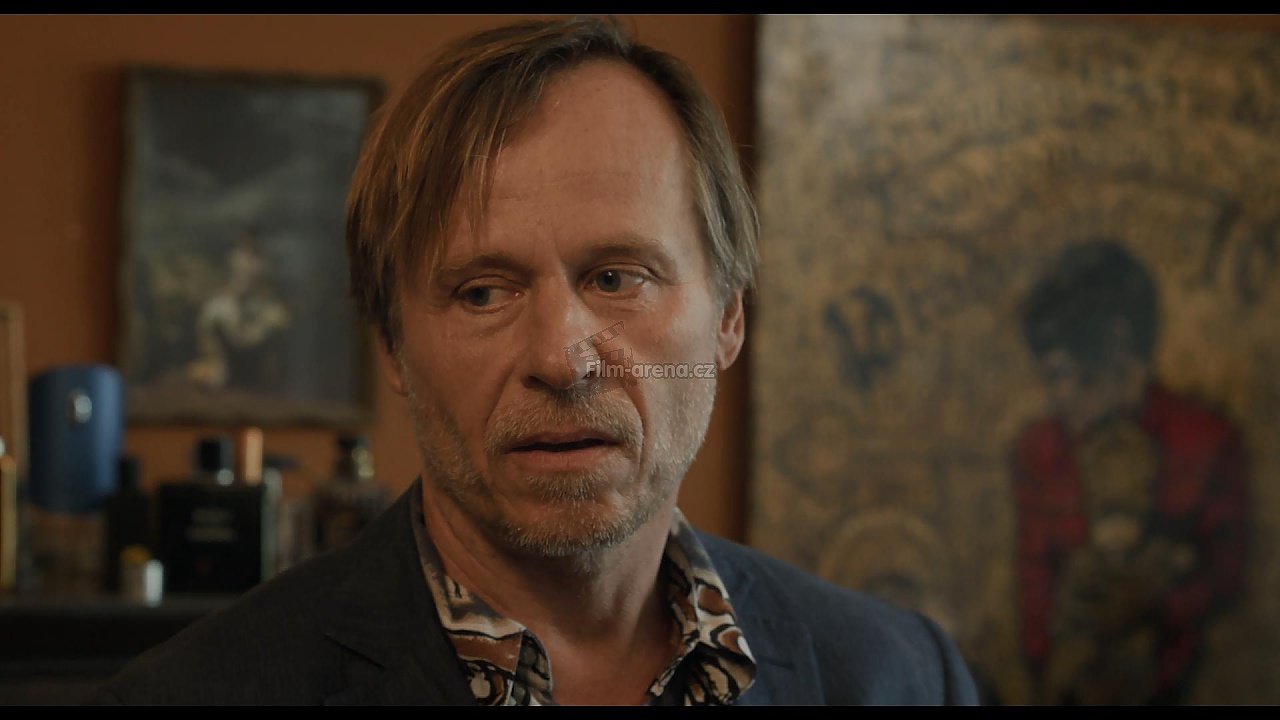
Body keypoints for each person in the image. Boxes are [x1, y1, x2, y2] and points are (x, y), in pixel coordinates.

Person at [91, 15, 978, 705]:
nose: (561, 357)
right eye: (483, 292)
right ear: (392, 345)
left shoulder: (900, 678)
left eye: (618, 277)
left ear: (729, 319)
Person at [1012, 240, 1249, 705]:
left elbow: (1227, 577)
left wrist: (1157, 603)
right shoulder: (1039, 450)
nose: (1053, 395)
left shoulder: (1207, 442)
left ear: (1115, 352)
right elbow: (1034, 591)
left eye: (1059, 373)